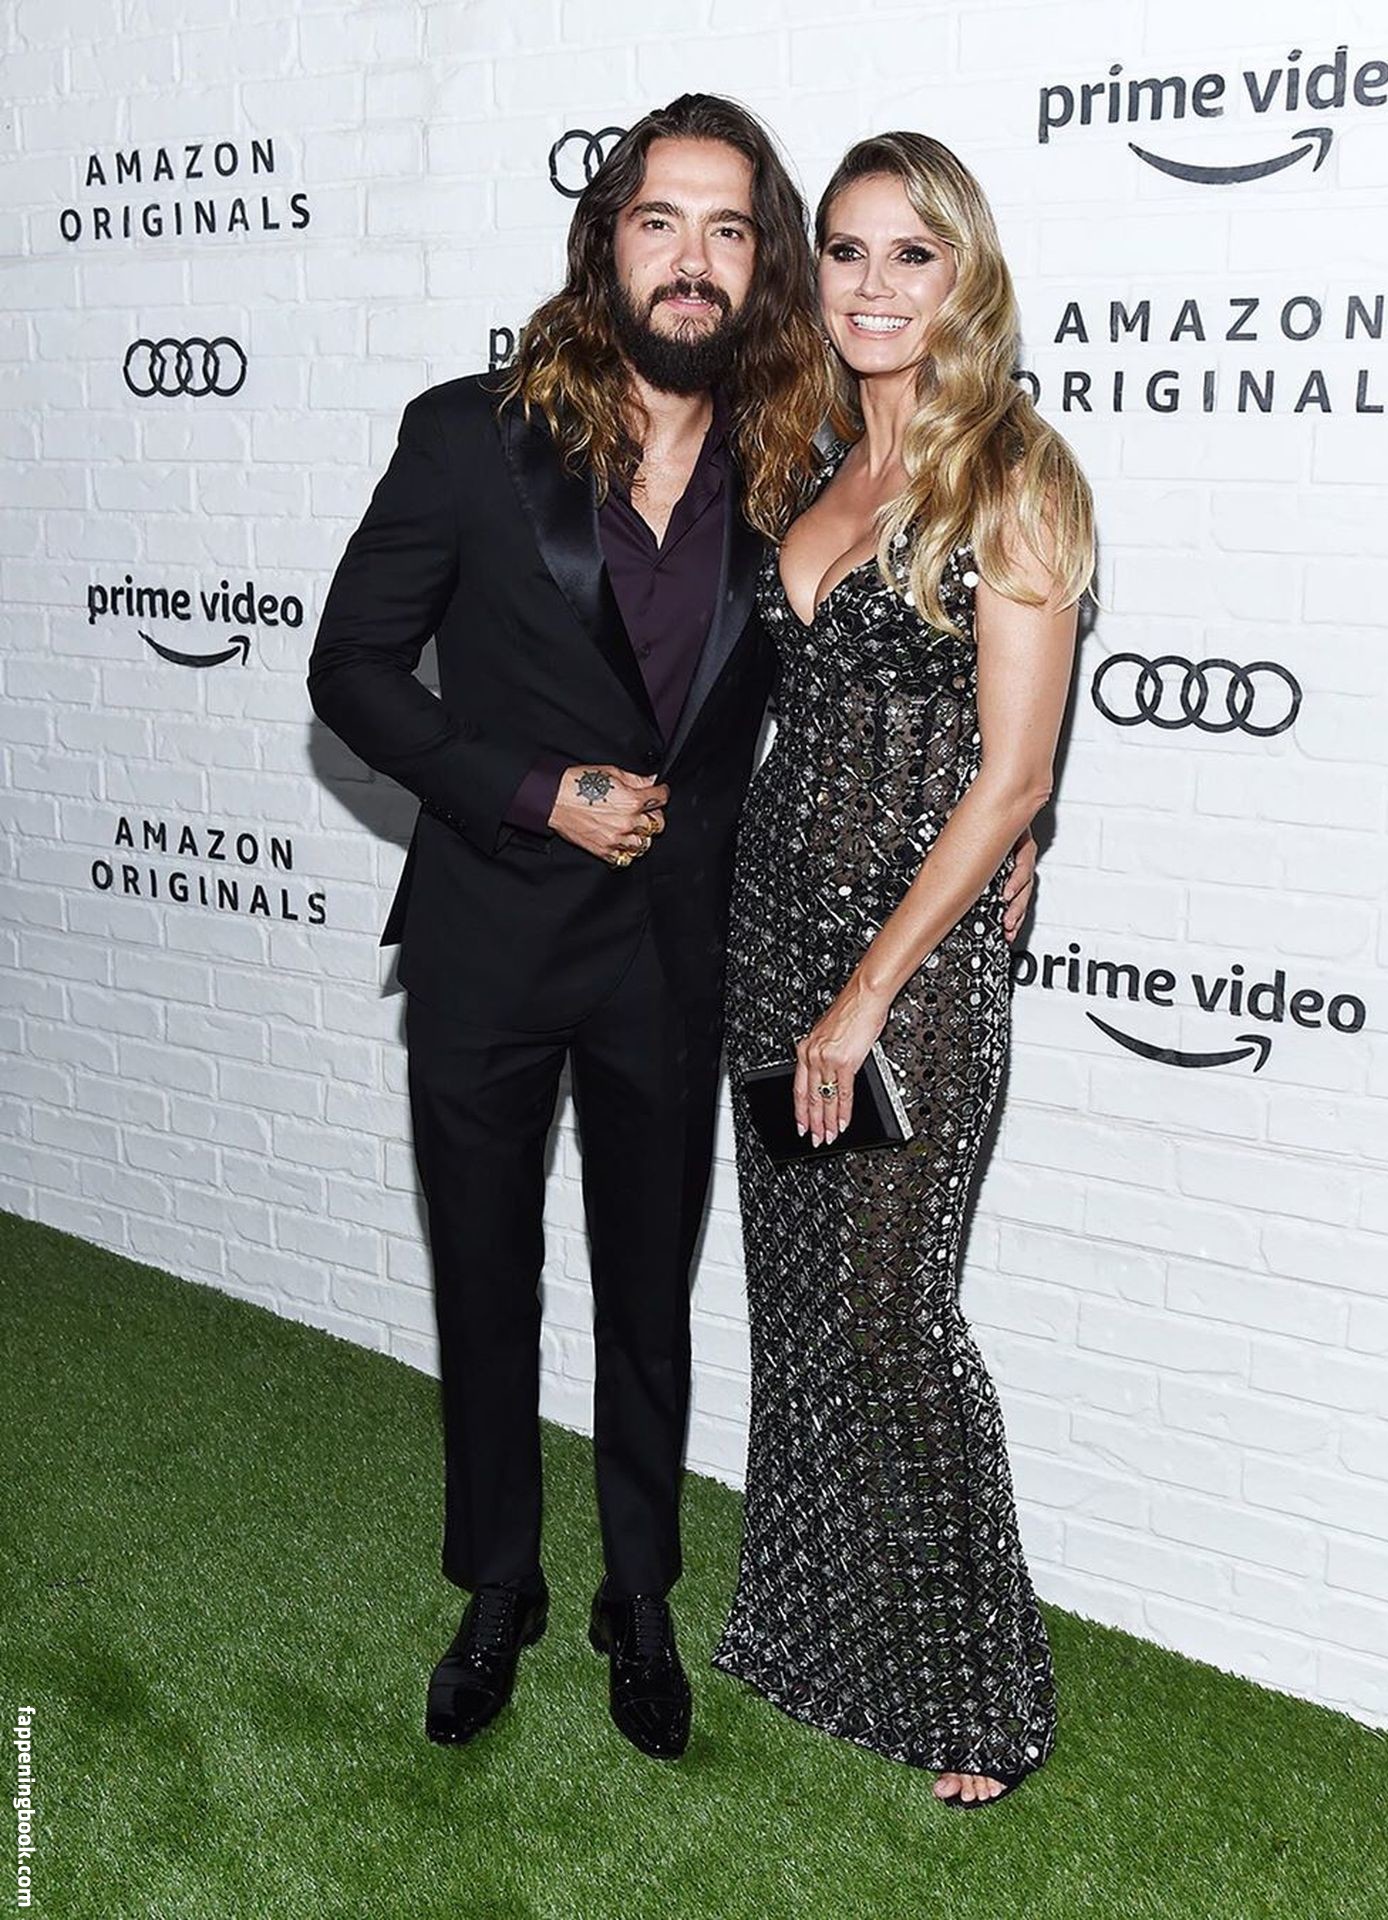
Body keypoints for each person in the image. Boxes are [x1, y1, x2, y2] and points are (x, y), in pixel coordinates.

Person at [306, 93, 830, 1761]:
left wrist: (1008, 818)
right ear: (608, 240)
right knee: (485, 1277)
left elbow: (892, 675)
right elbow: (352, 672)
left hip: (674, 953)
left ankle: (638, 1594)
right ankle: (498, 1583)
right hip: (487, 935)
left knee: (648, 1298)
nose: (693, 260)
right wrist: (537, 792)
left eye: (729, 228)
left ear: (763, 261)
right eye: (662, 221)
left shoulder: (797, 468)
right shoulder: (470, 438)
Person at [714, 132, 1094, 1808]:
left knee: (892, 1322)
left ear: (966, 275)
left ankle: (982, 1701)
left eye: (911, 255)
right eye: (847, 251)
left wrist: (867, 992)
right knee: (800, 1308)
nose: (873, 287)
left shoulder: (1013, 472)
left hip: (909, 971)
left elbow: (1012, 776)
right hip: (769, 933)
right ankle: (812, 1641)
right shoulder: (811, 460)